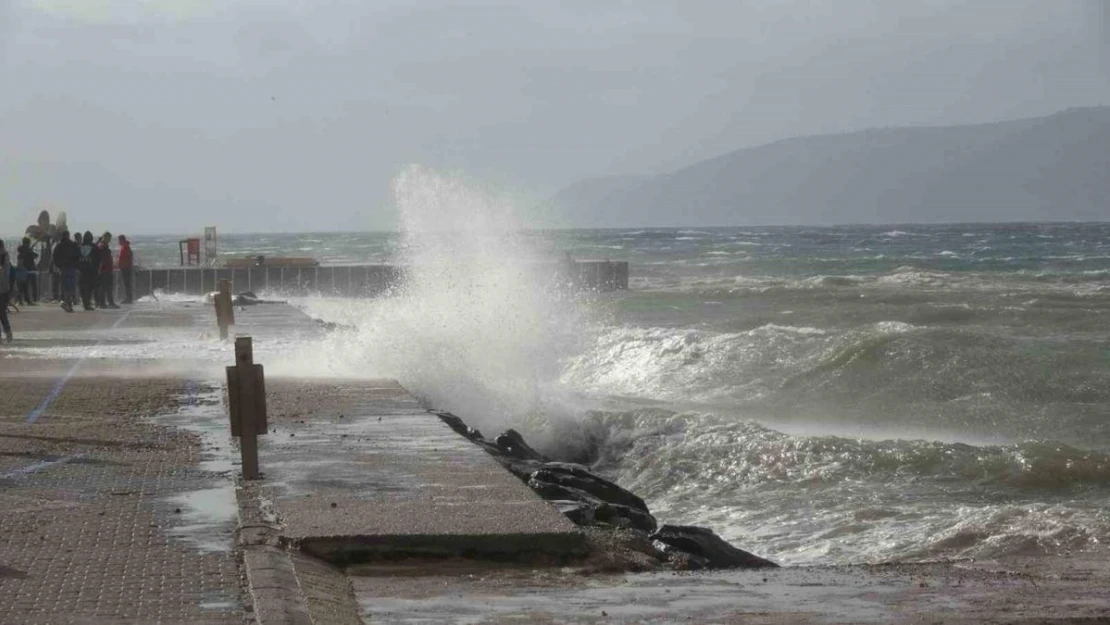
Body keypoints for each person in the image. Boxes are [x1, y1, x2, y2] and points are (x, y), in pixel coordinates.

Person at [52, 231, 78, 312]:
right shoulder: (73, 245)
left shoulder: (59, 246)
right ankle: (68, 303)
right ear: (68, 236)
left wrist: (59, 265)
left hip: (64, 268)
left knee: (65, 287)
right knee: (71, 287)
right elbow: (77, 255)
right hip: (71, 268)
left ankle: (66, 302)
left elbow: (55, 256)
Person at [76, 231, 100, 311]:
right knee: (89, 288)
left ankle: (85, 303)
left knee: (83, 288)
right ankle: (87, 304)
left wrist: (77, 267)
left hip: (81, 271)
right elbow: (98, 260)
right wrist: (96, 270)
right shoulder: (94, 247)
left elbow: (75, 258)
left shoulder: (79, 247)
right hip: (91, 271)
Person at [95, 232, 118, 309]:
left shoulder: (101, 245)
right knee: (105, 287)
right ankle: (105, 303)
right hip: (105, 270)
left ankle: (106, 303)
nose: (109, 240)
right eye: (108, 238)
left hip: (106, 269)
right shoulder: (102, 246)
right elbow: (102, 259)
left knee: (106, 288)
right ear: (105, 237)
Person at [17, 237, 38, 305]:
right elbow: (35, 255)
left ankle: (22, 300)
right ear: (27, 243)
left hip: (23, 270)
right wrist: (30, 251)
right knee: (33, 285)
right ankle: (33, 299)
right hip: (30, 269)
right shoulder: (28, 251)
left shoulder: (21, 251)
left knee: (23, 286)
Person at [0, 240, 13, 342]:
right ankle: (8, 332)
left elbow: (5, 273)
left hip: (3, 288)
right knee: (2, 312)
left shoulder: (4, 256)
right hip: (5, 288)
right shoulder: (6, 256)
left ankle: (8, 332)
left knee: (1, 312)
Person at [118, 234, 134, 304]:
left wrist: (128, 265)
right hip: (125, 267)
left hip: (126, 268)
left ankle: (128, 299)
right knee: (126, 284)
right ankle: (128, 298)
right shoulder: (124, 246)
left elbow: (129, 256)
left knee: (127, 283)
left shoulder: (125, 247)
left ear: (121, 240)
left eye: (119, 240)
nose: (118, 242)